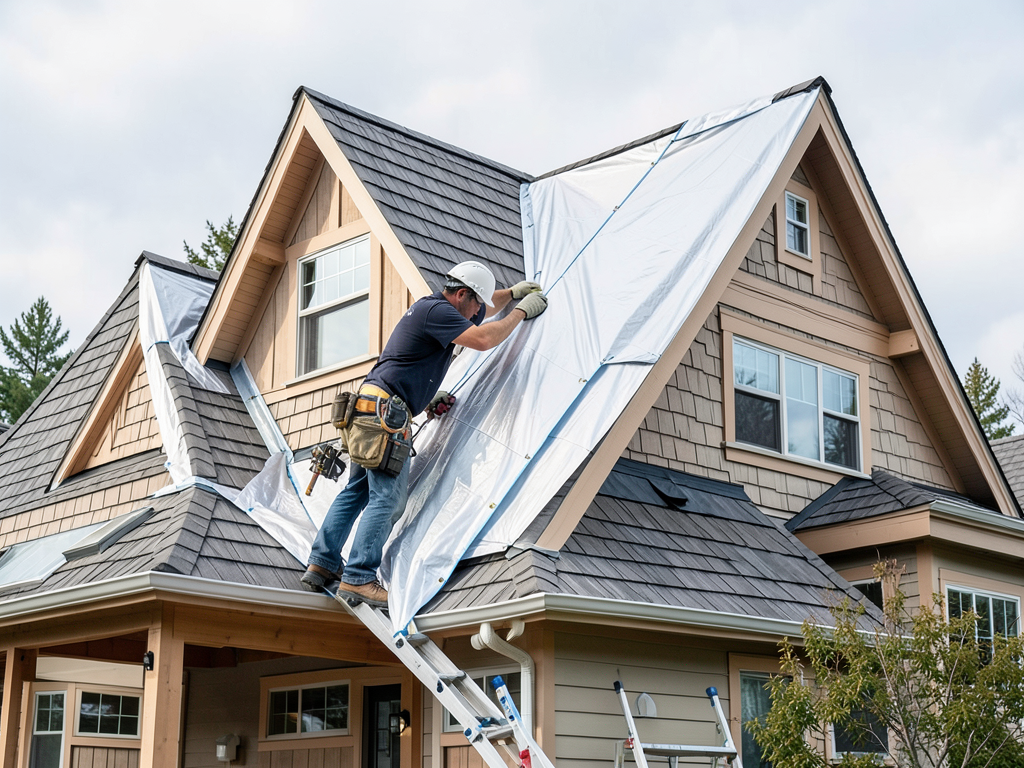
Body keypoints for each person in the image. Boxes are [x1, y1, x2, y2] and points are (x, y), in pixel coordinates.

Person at [300, 261, 549, 607]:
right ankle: (358, 578)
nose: (478, 312)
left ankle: (322, 562)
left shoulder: (433, 309)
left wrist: (509, 294)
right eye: (476, 305)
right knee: (388, 499)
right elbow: (483, 338)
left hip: (371, 409)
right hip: (385, 417)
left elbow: (422, 352)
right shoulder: (438, 311)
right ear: (461, 295)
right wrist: (519, 312)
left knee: (356, 491)